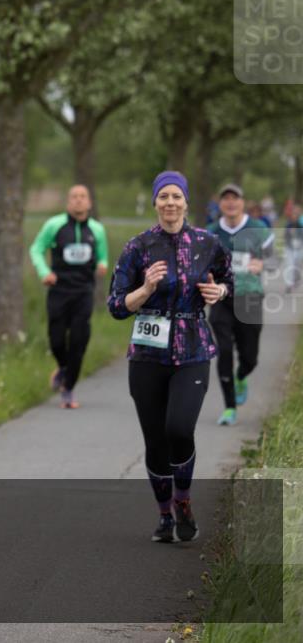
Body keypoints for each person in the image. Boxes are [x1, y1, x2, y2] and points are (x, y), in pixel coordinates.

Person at [108, 171, 232, 544]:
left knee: (179, 428)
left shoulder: (208, 243)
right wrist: (145, 288)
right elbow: (116, 305)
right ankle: (164, 516)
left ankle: (183, 502)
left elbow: (231, 280)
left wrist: (219, 291)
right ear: (155, 203)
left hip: (193, 349)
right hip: (147, 355)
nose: (170, 203)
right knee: (155, 441)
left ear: (186, 202)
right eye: (164, 197)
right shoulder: (138, 247)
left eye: (177, 196)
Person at [28, 185, 109, 408]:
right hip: (59, 290)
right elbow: (36, 249)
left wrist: (103, 264)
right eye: (74, 197)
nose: (78, 201)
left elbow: (102, 254)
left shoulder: (97, 229)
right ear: (68, 202)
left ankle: (68, 389)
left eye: (83, 197)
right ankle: (64, 368)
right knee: (56, 339)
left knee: (79, 339)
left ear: (89, 203)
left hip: (84, 291)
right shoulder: (54, 225)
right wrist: (45, 272)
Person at [206, 184, 274, 425]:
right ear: (221, 204)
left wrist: (263, 265)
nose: (231, 202)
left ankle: (241, 375)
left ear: (242, 202)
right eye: (226, 199)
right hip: (223, 299)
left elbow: (273, 258)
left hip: (250, 299)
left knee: (250, 357)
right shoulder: (212, 232)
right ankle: (229, 407)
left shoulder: (258, 228)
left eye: (235, 198)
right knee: (223, 351)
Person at [285, 204, 303, 293]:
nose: (294, 216)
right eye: (293, 214)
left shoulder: (300, 225)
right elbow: (286, 236)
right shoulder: (288, 225)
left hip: (299, 248)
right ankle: (289, 284)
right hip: (290, 248)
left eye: (296, 214)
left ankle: (297, 279)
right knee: (290, 265)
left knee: (297, 265)